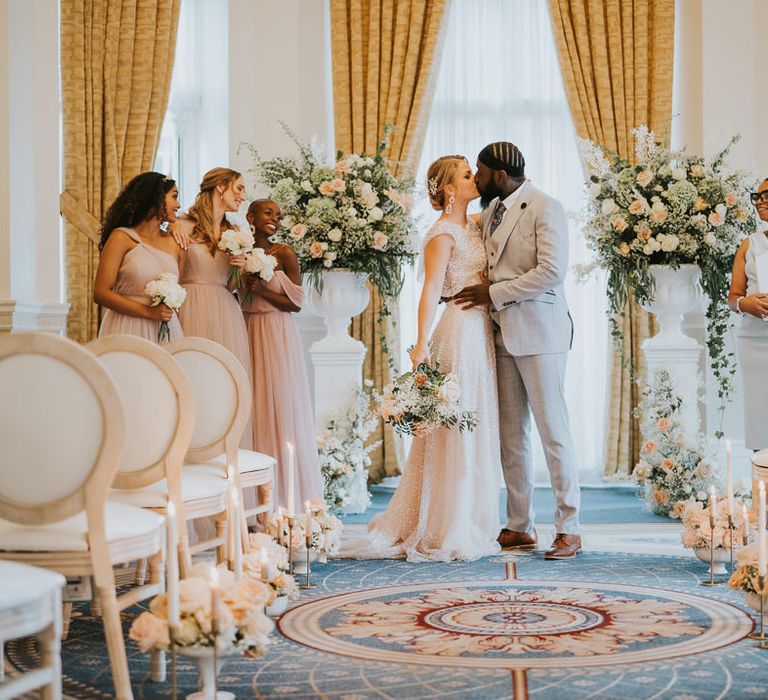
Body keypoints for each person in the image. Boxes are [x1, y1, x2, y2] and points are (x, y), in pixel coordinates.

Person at [352, 155, 501, 562]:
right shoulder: (441, 234)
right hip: (458, 329)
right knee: (455, 425)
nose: (477, 179)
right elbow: (430, 290)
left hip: (481, 331)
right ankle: (444, 523)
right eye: (468, 176)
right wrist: (420, 345)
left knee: (475, 420)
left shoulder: (474, 225)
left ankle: (472, 515)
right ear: (450, 189)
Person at [454, 141, 581, 560]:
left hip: (541, 333)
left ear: (501, 175)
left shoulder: (547, 207)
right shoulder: (491, 210)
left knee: (553, 432)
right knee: (511, 435)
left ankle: (569, 528)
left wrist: (494, 293)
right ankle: (519, 525)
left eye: (480, 170)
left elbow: (550, 273)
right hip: (500, 335)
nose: (476, 177)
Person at [241, 199, 323, 514]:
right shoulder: (239, 253)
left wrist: (259, 289)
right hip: (246, 328)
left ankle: (287, 495)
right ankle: (253, 495)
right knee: (253, 404)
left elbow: (296, 303)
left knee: (278, 402)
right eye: (268, 212)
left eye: (278, 213)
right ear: (251, 217)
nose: (275, 218)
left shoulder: (284, 253)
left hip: (276, 332)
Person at [172, 167, 253, 449]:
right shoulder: (181, 226)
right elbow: (172, 271)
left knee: (227, 389)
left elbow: (240, 287)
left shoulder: (238, 233)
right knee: (194, 382)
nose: (243, 196)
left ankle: (227, 462)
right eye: (239, 188)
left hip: (226, 310)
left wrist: (243, 269)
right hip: (190, 306)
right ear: (220, 187)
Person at [94, 172, 185, 342]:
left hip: (165, 329)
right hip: (126, 326)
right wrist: (148, 312)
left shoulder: (175, 242)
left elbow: (179, 288)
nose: (178, 205)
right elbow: (100, 292)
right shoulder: (121, 238)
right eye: (174, 197)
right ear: (156, 198)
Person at [728, 177, 768, 451]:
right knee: (758, 414)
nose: (759, 200)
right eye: (757, 195)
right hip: (754, 340)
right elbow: (733, 297)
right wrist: (746, 304)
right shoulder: (749, 244)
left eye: (766, 194)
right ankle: (762, 487)